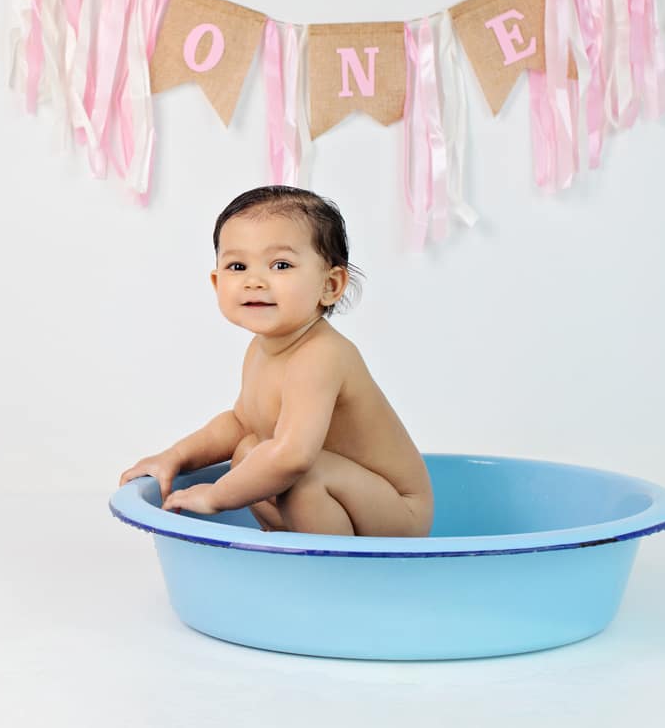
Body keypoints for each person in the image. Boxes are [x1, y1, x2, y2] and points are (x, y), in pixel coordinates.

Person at [118, 186, 433, 536]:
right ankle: (291, 544)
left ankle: (337, 571)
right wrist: (174, 457)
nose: (254, 281)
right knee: (249, 450)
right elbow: (240, 423)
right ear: (216, 281)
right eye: (237, 266)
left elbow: (294, 456)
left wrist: (217, 496)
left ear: (330, 285)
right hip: (343, 493)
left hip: (395, 512)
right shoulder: (262, 349)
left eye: (280, 265)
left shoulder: (321, 355)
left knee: (296, 472)